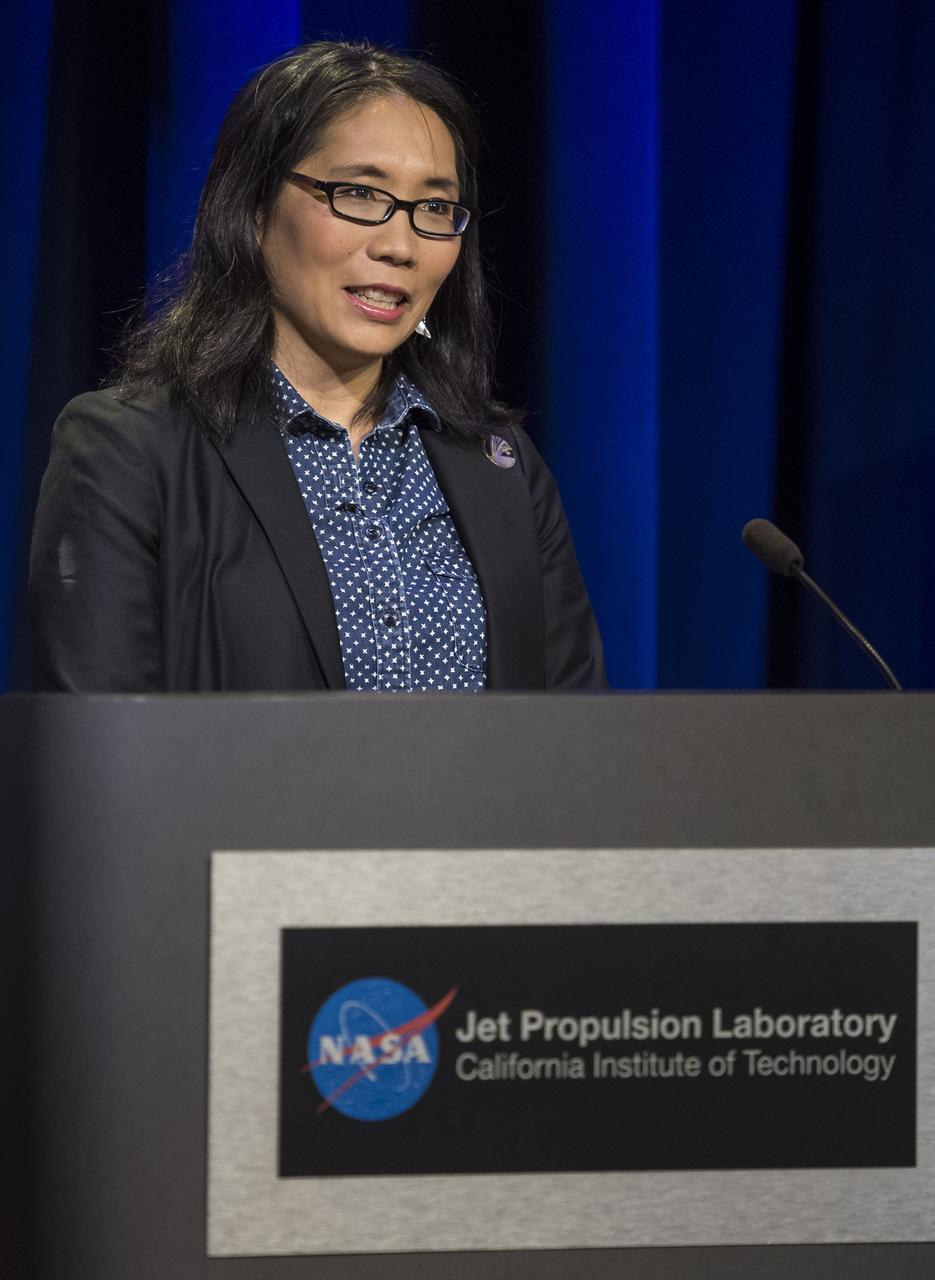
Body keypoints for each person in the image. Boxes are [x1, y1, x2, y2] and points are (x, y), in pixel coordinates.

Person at [29, 41, 606, 693]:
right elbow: (102, 754)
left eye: (435, 208)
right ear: (251, 211)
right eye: (360, 193)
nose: (398, 245)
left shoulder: (500, 466)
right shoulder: (129, 451)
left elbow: (575, 738)